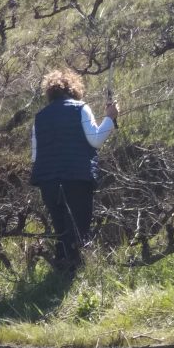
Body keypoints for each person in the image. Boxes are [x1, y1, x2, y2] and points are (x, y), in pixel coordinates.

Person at [30, 69, 119, 271]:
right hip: (77, 177)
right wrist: (110, 118)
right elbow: (95, 140)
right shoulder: (81, 108)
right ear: (74, 89)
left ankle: (61, 271)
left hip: (48, 181)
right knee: (78, 228)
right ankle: (73, 273)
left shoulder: (39, 118)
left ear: (50, 93)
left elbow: (35, 156)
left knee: (61, 229)